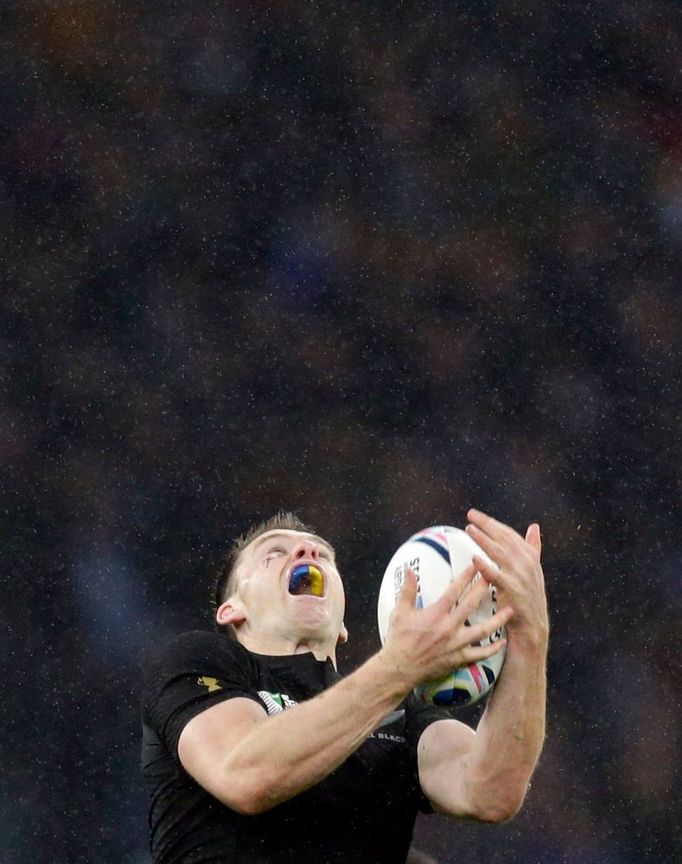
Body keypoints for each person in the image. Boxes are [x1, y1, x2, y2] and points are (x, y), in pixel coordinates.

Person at [141, 508, 548, 864]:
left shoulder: (401, 715)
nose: (307, 553)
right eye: (274, 552)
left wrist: (530, 633)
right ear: (232, 610)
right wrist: (397, 668)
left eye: (322, 553)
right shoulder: (200, 661)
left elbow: (490, 791)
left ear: (343, 627)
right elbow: (245, 775)